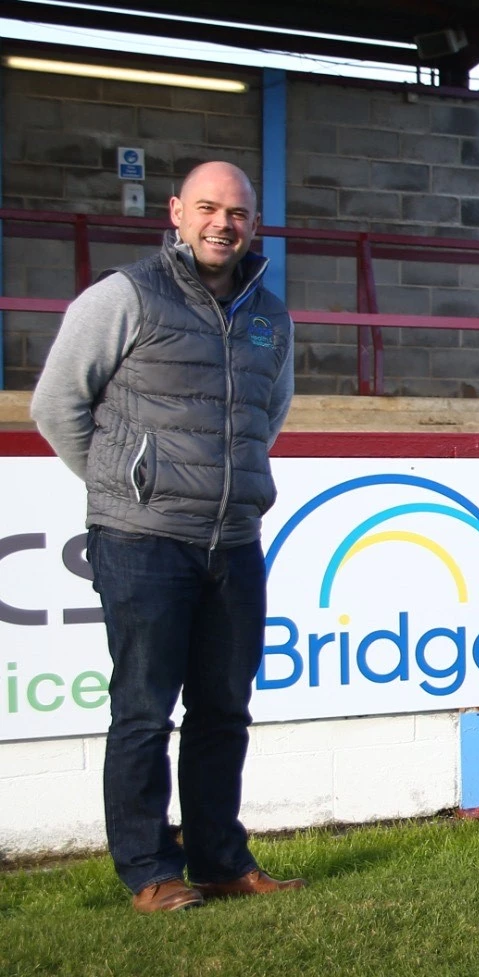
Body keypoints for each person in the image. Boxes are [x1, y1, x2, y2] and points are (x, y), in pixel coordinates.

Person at [30, 161, 303, 911]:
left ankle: (219, 858)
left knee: (224, 708)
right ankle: (150, 871)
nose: (224, 224)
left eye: (239, 213)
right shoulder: (123, 296)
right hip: (142, 539)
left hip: (233, 538)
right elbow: (57, 405)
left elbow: (267, 415)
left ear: (254, 223)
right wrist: (125, 484)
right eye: (208, 208)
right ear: (177, 213)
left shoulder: (269, 314)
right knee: (145, 710)